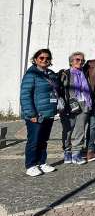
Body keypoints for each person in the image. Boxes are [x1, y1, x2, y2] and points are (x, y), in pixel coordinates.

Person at [20, 49, 60, 177]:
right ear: (36, 59)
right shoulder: (31, 74)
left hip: (48, 113)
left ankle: (42, 162)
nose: (44, 60)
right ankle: (30, 165)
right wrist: (31, 114)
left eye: (47, 58)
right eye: (41, 58)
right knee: (34, 140)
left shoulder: (51, 74)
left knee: (43, 140)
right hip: (36, 114)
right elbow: (25, 95)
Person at [58, 52, 93, 166]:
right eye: (77, 60)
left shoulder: (85, 73)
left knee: (80, 130)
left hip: (84, 103)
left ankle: (76, 153)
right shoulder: (66, 73)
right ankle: (67, 151)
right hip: (70, 105)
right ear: (71, 61)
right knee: (68, 130)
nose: (80, 62)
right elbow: (59, 90)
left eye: (82, 60)